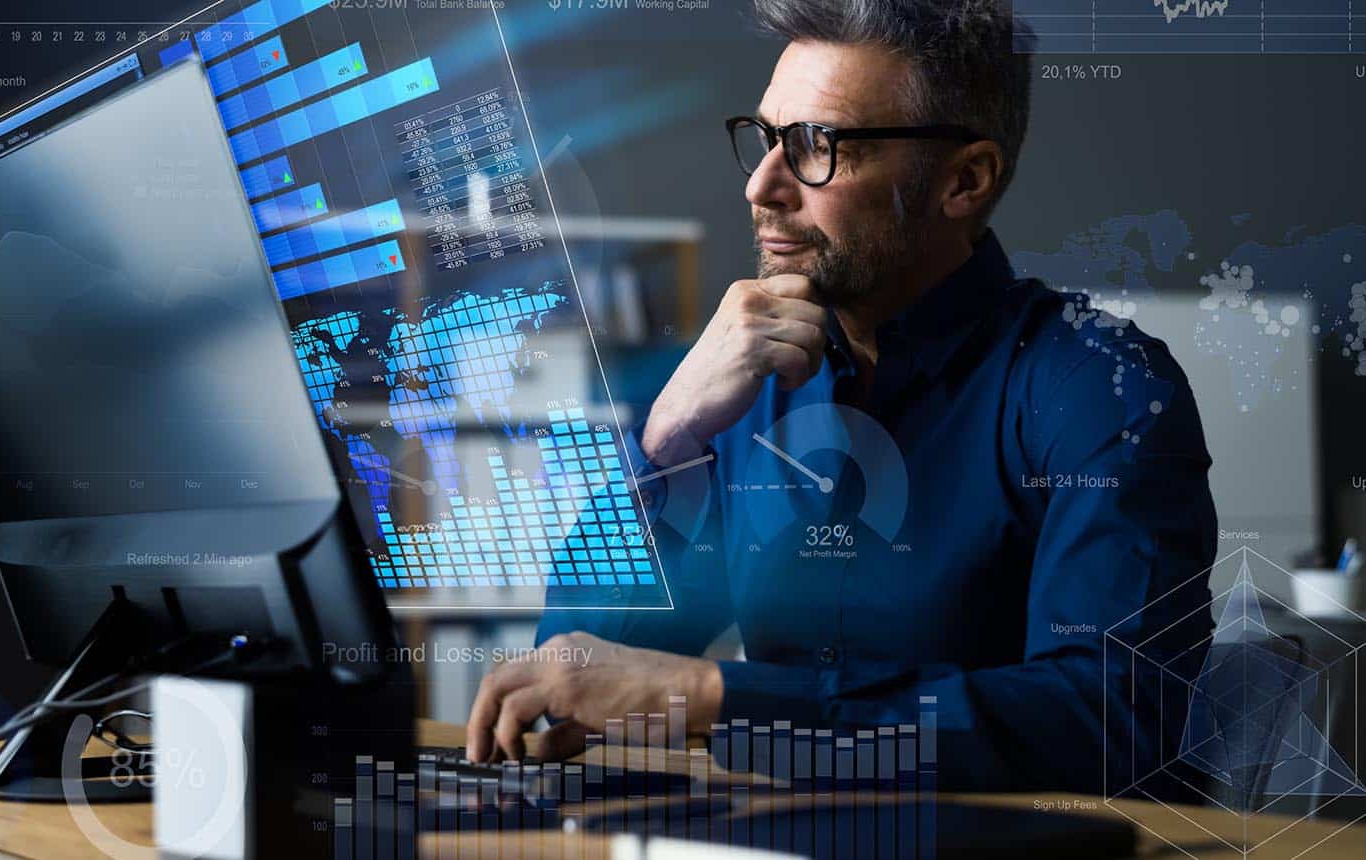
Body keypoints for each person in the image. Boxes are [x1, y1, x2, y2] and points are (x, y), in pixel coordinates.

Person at [466, 0, 1217, 792]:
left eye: (817, 147)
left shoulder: (1101, 385)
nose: (762, 186)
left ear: (964, 179)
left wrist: (711, 696)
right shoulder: (739, 383)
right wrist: (668, 437)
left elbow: (1110, 722)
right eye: (763, 139)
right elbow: (566, 680)